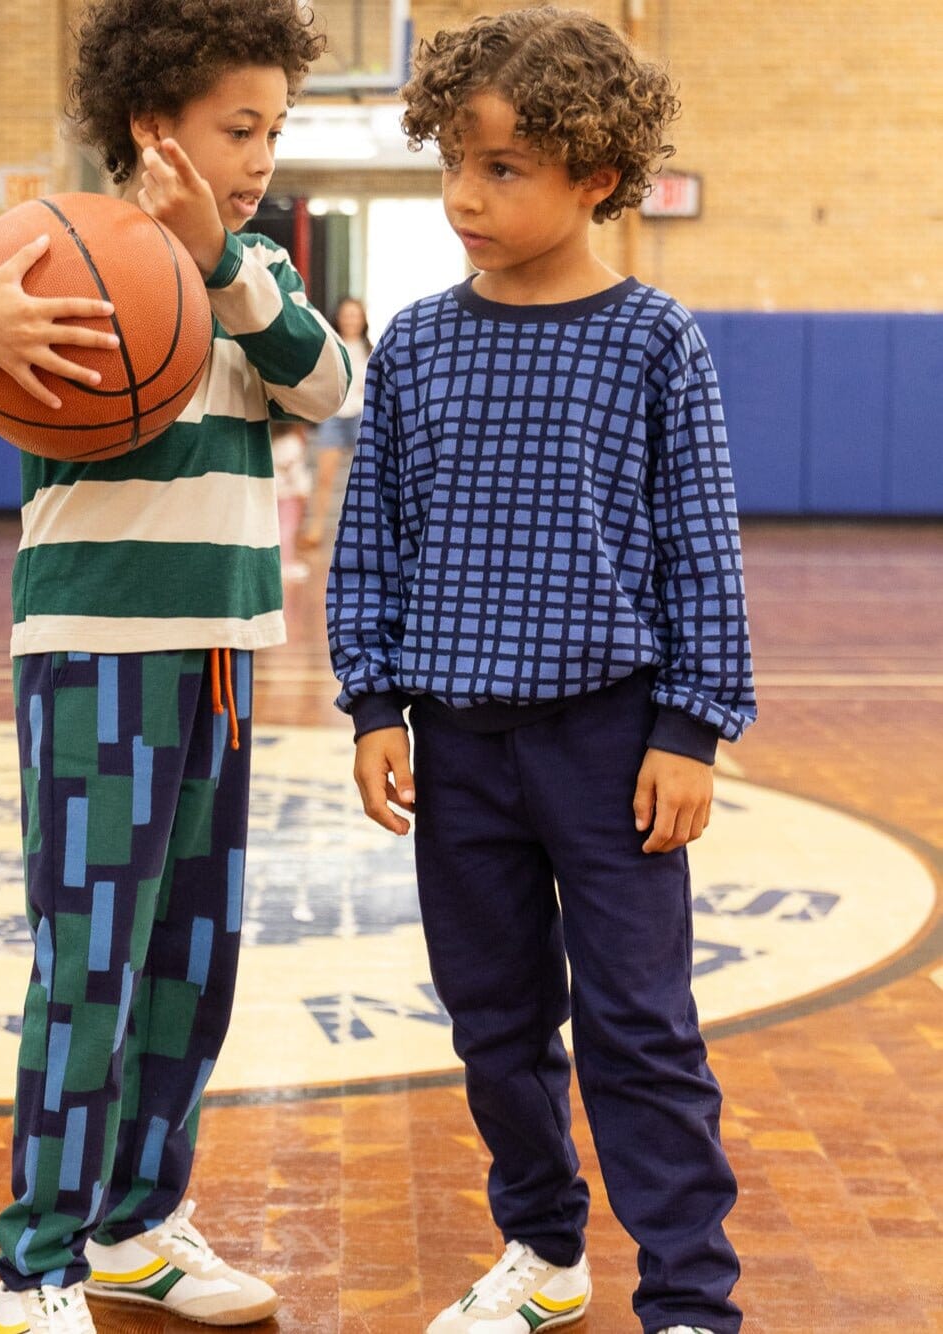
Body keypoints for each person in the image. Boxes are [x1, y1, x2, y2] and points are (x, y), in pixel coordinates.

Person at [0, 2, 347, 1331]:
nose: (260, 155)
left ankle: (136, 1225)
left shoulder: (257, 273)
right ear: (153, 124)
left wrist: (228, 270)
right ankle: (37, 1260)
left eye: (273, 130)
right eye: (237, 128)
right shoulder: (53, 247)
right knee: (90, 962)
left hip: (224, 655)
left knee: (194, 958)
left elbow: (329, 384)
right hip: (93, 653)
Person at [326, 9, 756, 1334]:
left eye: (502, 167)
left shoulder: (653, 338)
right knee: (493, 1021)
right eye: (453, 160)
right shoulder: (412, 343)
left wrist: (689, 726)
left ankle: (688, 1297)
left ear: (595, 176)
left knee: (639, 1023)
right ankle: (543, 1246)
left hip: (610, 746)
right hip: (456, 748)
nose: (464, 194)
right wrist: (373, 701)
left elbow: (699, 543)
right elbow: (371, 535)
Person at [299, 295, 370, 548]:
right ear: (339, 318)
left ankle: (365, 533)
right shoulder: (331, 346)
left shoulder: (371, 350)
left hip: (362, 416)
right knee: (325, 476)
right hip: (334, 416)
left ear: (362, 319)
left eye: (355, 315)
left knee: (366, 479)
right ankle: (315, 531)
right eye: (347, 315)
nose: (351, 320)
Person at [271, 421, 312, 581]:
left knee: (278, 529)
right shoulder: (293, 444)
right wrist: (303, 490)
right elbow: (296, 471)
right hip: (290, 495)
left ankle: (280, 562)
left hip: (275, 493)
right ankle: (286, 563)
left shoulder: (273, 442)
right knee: (287, 530)